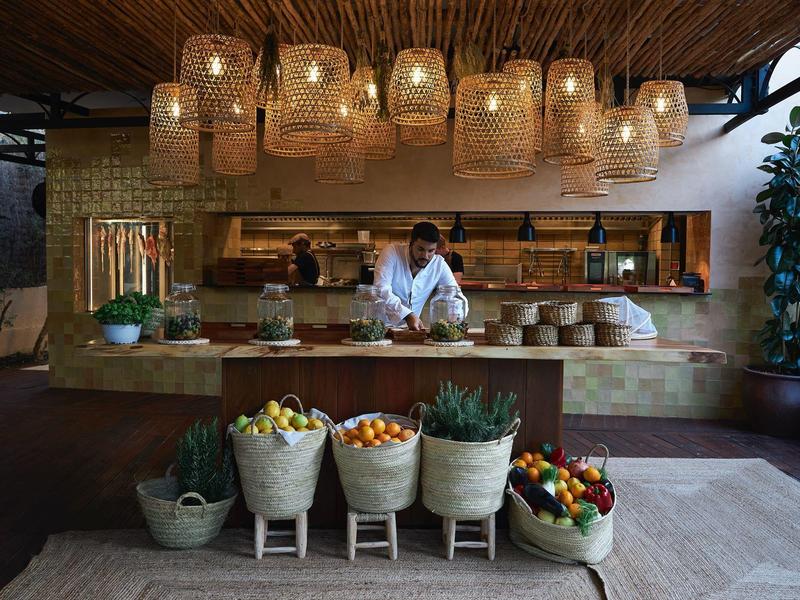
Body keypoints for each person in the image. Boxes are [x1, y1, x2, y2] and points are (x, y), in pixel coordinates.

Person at [373, 221, 468, 331]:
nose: (425, 256)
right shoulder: (392, 252)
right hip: (379, 328)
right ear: (411, 243)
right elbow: (381, 290)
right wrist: (407, 315)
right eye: (420, 249)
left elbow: (455, 295)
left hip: (411, 331)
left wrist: (455, 318)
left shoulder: (439, 265)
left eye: (431, 251)